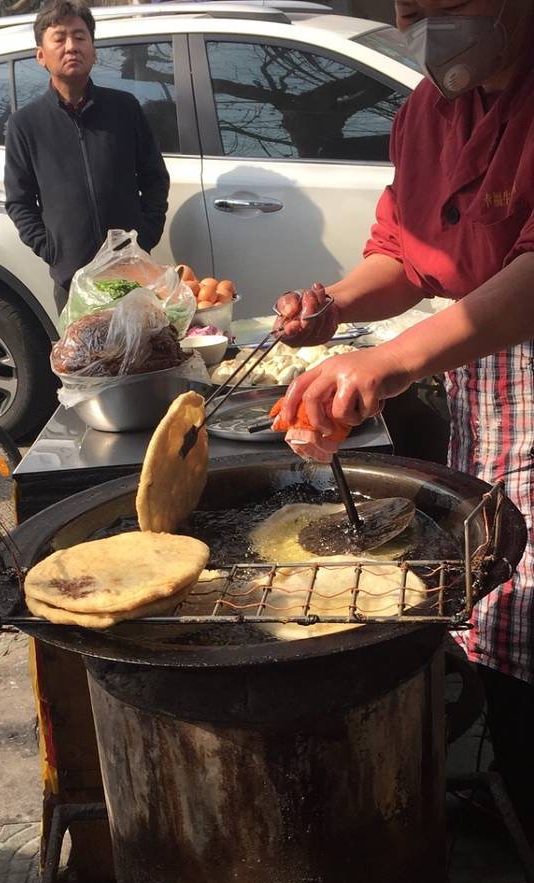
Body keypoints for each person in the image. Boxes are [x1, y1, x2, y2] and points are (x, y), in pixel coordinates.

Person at [273, 0, 534, 825]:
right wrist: (335, 307)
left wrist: (385, 362)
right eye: (407, 11)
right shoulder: (430, 109)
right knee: (495, 590)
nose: (421, 27)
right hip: (485, 388)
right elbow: (404, 253)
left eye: (442, 7)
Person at [4, 0, 170, 313]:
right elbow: (19, 201)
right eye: (60, 38)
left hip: (132, 276)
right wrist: (53, 249)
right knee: (85, 361)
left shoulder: (125, 109)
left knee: (145, 359)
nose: (71, 47)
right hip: (73, 282)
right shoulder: (25, 124)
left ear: (94, 50)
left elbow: (154, 178)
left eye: (80, 37)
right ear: (41, 55)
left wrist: (145, 236)